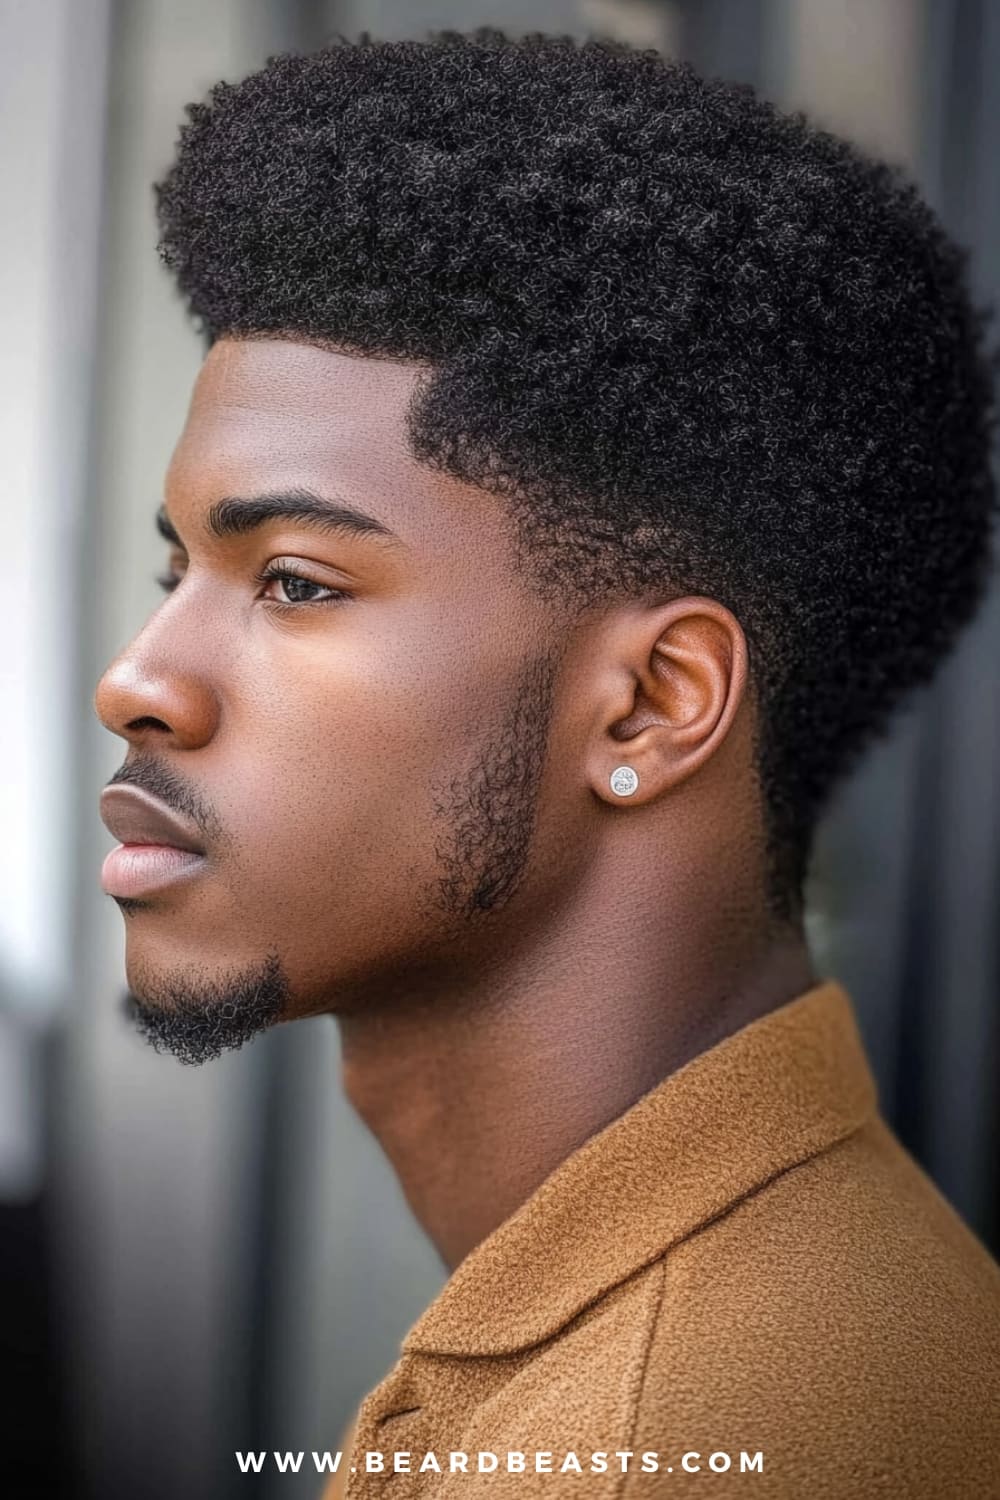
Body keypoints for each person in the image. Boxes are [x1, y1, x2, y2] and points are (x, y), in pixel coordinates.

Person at [93, 28, 1000, 1498]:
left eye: (297, 581)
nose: (136, 682)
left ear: (650, 705)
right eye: (175, 568)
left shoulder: (665, 1447)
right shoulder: (776, 1312)